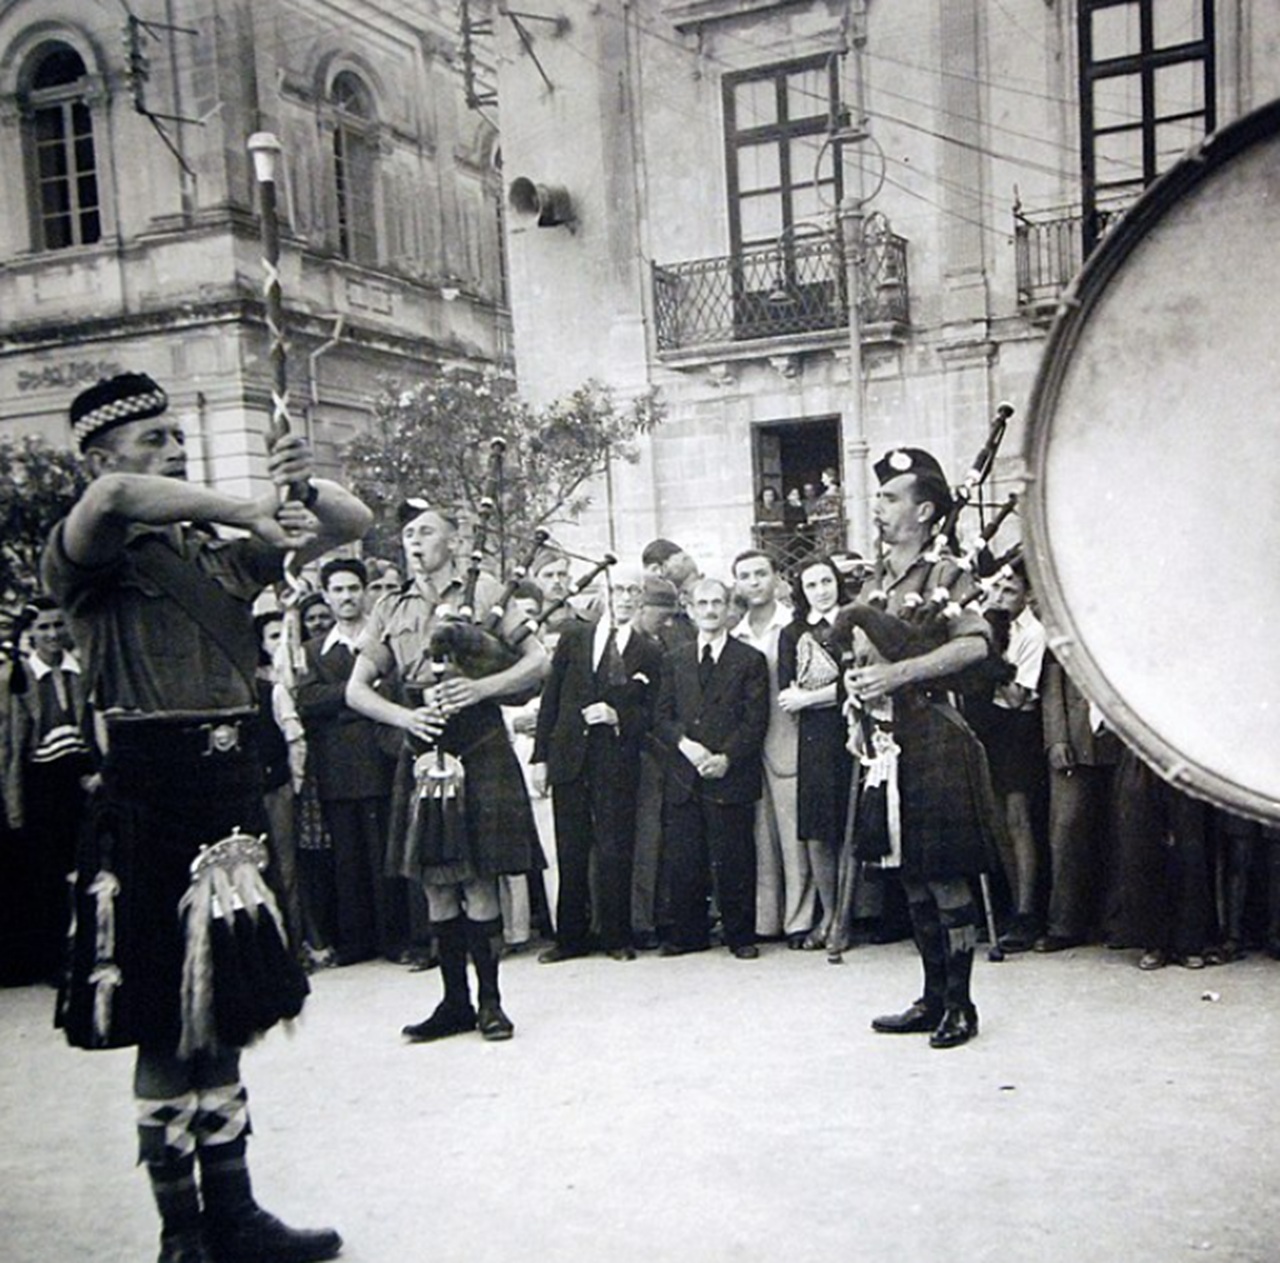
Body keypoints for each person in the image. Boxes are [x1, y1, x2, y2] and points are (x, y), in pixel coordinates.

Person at [44, 371, 370, 1263]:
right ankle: (182, 1234)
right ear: (100, 455)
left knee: (224, 1012)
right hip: (148, 796)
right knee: (161, 1018)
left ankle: (236, 1216)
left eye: (175, 436)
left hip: (226, 795)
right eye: (153, 441)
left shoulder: (213, 554)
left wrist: (300, 486)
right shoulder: (86, 550)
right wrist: (247, 505)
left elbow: (353, 525)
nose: (172, 451)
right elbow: (115, 499)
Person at [346, 501, 548, 1043]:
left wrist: (481, 687)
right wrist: (406, 715)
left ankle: (490, 1003)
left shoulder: (485, 592)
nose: (415, 541)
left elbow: (539, 661)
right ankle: (453, 1003)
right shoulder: (389, 605)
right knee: (436, 881)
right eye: (409, 533)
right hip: (423, 742)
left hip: (478, 737)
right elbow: (356, 688)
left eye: (427, 531)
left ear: (452, 542)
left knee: (478, 877)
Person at [842, 447, 997, 1049]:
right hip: (886, 742)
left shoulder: (947, 574)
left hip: (935, 734)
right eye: (879, 497)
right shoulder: (875, 580)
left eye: (890, 497)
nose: (878, 507)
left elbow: (975, 648)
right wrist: (857, 685)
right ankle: (932, 998)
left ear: (925, 510)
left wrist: (899, 676)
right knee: (909, 876)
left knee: (945, 874)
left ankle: (961, 1006)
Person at [532, 564, 663, 962]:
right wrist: (540, 757)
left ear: (641, 599)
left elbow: (653, 712)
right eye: (619, 589)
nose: (625, 598)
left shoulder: (648, 650)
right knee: (569, 849)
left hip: (616, 761)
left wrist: (618, 716)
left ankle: (615, 936)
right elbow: (551, 699)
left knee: (614, 847)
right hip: (568, 756)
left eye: (633, 592)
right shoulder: (575, 638)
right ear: (606, 591)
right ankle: (569, 938)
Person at [654, 577, 770, 959]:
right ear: (689, 609)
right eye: (702, 603)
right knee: (685, 857)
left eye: (717, 603)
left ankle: (740, 936)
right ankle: (690, 934)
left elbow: (755, 721)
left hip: (729, 773)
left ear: (728, 609)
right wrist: (685, 746)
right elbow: (662, 715)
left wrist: (726, 758)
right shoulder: (674, 659)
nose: (710, 610)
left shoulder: (749, 659)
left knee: (733, 856)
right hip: (685, 774)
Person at [295, 558, 400, 966]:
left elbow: (392, 689)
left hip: (381, 758)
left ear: (365, 592)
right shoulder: (312, 651)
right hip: (336, 768)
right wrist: (358, 695)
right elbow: (307, 700)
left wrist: (345, 701)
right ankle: (357, 943)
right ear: (326, 596)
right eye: (337, 590)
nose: (346, 597)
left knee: (384, 853)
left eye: (353, 588)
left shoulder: (382, 642)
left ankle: (395, 939)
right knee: (348, 858)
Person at [3, 597, 98, 983]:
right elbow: (10, 745)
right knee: (50, 872)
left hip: (84, 777)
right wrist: (14, 805)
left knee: (90, 866)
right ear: (30, 634)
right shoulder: (18, 677)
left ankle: (93, 950)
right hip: (43, 782)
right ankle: (58, 958)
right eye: (43, 627)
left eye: (59, 625)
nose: (52, 634)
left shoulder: (83, 670)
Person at [731, 549, 812, 946]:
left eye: (761, 573)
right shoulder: (735, 633)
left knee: (793, 831)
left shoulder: (794, 627)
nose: (754, 582)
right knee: (760, 834)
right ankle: (767, 919)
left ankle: (799, 920)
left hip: (788, 732)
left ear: (777, 578)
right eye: (745, 576)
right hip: (750, 740)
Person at [778, 556, 852, 952]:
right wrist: (825, 695)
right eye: (812, 584)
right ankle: (830, 914)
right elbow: (789, 696)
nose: (822, 590)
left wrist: (816, 696)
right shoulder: (793, 633)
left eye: (827, 581)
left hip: (855, 733)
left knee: (852, 827)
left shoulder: (854, 624)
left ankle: (847, 918)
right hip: (815, 742)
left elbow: (856, 685)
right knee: (819, 833)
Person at [979, 559, 1048, 953]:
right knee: (996, 819)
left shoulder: (1031, 633)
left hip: (1016, 730)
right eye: (997, 589)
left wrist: (990, 668)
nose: (1001, 597)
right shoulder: (985, 622)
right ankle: (1009, 905)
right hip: (988, 724)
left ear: (1026, 596)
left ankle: (1027, 910)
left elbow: (1018, 694)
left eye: (1010, 592)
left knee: (1018, 818)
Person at [1033, 654, 1120, 952]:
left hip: (1119, 744)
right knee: (1066, 831)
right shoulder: (1068, 628)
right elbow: (1052, 688)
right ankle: (1064, 925)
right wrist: (1056, 739)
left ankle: (1115, 922)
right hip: (1073, 740)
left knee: (1118, 831)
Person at [629, 574, 681, 949]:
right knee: (644, 840)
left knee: (658, 838)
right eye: (660, 616)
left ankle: (656, 914)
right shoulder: (633, 647)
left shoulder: (657, 642)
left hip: (658, 752)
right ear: (641, 608)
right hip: (640, 753)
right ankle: (641, 920)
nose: (666, 624)